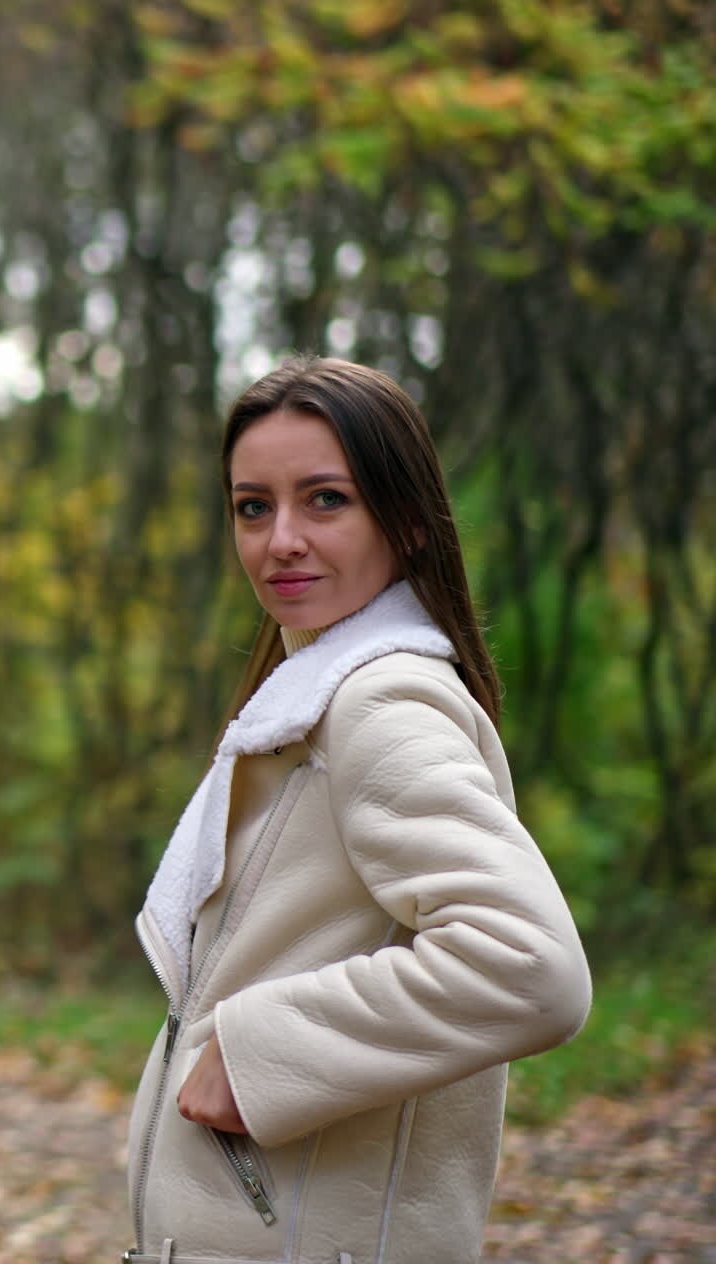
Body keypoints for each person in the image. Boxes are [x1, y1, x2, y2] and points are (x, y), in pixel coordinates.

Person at [125, 355, 591, 1264]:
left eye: (325, 500)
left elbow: (531, 968)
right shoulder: (304, 704)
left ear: (409, 520)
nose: (280, 539)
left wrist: (263, 1056)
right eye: (253, 506)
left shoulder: (376, 708)